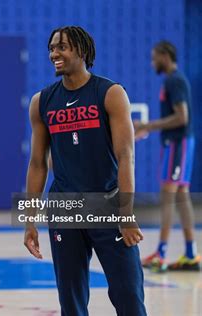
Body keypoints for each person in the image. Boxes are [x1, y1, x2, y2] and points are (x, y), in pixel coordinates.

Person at [24, 26, 147, 315]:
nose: (55, 53)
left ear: (81, 51)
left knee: (129, 295)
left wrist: (126, 213)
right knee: (71, 301)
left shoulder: (110, 93)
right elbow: (38, 163)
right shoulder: (41, 102)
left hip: (107, 204)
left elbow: (126, 155)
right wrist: (30, 220)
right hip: (65, 206)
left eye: (62, 47)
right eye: (52, 47)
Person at [135, 41, 200, 272]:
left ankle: (161, 254)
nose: (153, 62)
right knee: (181, 195)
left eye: (155, 57)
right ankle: (191, 253)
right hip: (178, 143)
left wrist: (148, 125)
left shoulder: (175, 80)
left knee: (168, 195)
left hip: (177, 143)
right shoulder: (172, 80)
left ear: (165, 56)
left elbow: (182, 117)